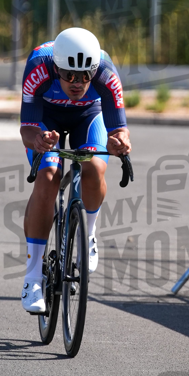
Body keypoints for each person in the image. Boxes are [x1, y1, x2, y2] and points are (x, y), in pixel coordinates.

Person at [19, 27, 131, 313]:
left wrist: (119, 143)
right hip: (46, 119)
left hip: (88, 116)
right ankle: (32, 278)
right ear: (56, 68)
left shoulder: (106, 71)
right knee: (47, 178)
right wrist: (39, 140)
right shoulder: (38, 66)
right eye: (69, 74)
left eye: (85, 75)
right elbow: (27, 128)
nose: (77, 82)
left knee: (93, 167)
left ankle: (88, 234)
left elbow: (119, 129)